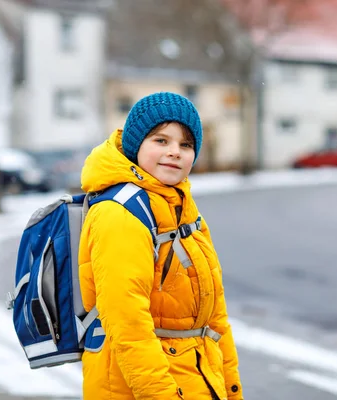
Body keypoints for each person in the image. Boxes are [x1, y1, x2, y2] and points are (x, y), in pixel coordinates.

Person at [78, 92, 243, 399]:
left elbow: (215, 319)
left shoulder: (184, 210)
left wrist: (232, 391)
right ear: (135, 144)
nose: (175, 152)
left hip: (196, 380)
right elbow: (128, 325)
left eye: (186, 144)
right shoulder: (120, 213)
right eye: (161, 140)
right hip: (141, 388)